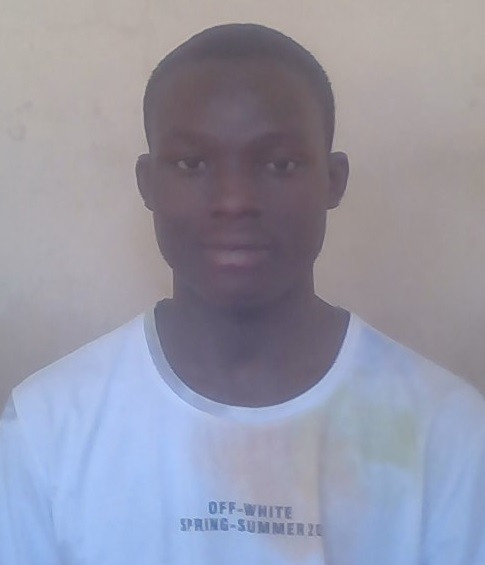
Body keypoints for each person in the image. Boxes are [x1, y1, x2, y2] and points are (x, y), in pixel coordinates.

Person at [1, 23, 484, 565]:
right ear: (147, 183)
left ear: (333, 180)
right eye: (193, 164)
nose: (234, 201)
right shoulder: (46, 429)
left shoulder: (448, 434)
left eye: (279, 165)